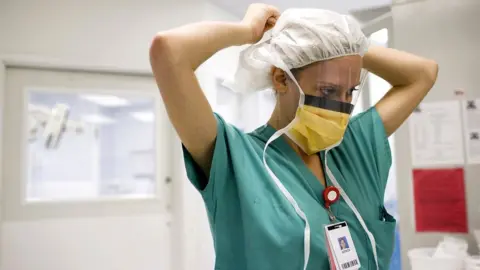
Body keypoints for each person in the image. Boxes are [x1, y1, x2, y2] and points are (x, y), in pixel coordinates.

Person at [149, 4, 438, 270]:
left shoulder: (353, 145)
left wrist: (345, 44)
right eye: (327, 91)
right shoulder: (235, 158)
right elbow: (169, 51)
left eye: (349, 92)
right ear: (281, 78)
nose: (341, 107)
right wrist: (248, 31)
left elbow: (424, 73)